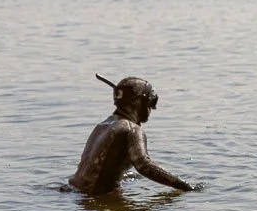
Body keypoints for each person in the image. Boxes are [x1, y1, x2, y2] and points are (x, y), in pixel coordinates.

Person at [68, 74, 201, 195]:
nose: (151, 109)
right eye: (150, 102)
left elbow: (97, 169)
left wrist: (126, 176)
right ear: (138, 102)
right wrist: (185, 186)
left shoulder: (103, 125)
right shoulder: (132, 129)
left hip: (72, 189)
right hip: (93, 197)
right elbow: (144, 165)